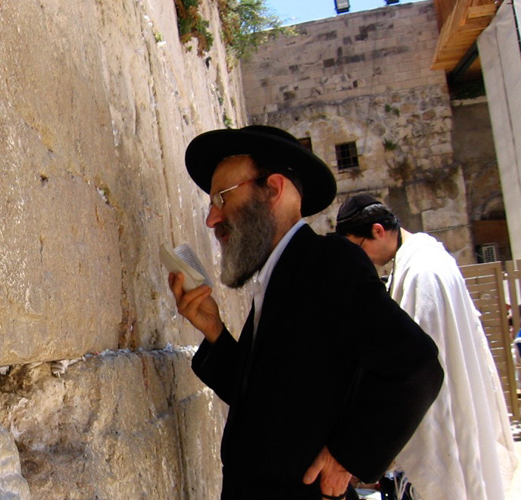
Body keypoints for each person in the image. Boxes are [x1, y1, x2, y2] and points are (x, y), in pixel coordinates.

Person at [170, 125, 443, 500]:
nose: (212, 219)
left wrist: (346, 457)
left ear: (274, 189)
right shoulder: (280, 274)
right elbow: (267, 402)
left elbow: (418, 365)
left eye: (222, 198)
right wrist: (215, 331)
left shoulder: (327, 262)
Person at [335, 194, 518, 500]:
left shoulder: (423, 274)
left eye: (359, 248)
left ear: (378, 231)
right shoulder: (431, 257)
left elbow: (417, 375)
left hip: (444, 429)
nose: (361, 259)